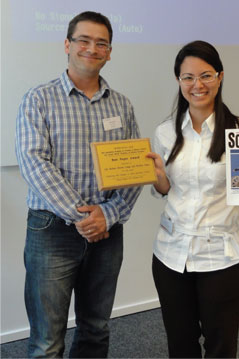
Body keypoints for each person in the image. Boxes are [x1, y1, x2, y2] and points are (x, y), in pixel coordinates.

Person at [147, 40, 239, 358]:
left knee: (221, 345)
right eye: (188, 77)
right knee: (180, 343)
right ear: (178, 80)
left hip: (222, 256)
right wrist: (157, 176)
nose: (197, 85)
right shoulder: (165, 132)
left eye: (206, 75)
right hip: (172, 254)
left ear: (220, 77)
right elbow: (165, 189)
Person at [15, 11, 142, 358]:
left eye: (101, 43)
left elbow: (134, 167)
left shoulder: (122, 105)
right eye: (84, 40)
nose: (92, 48)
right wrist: (84, 217)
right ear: (68, 45)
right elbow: (33, 162)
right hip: (52, 231)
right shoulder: (38, 98)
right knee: (46, 339)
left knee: (96, 328)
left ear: (110, 52)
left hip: (107, 232)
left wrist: (108, 214)